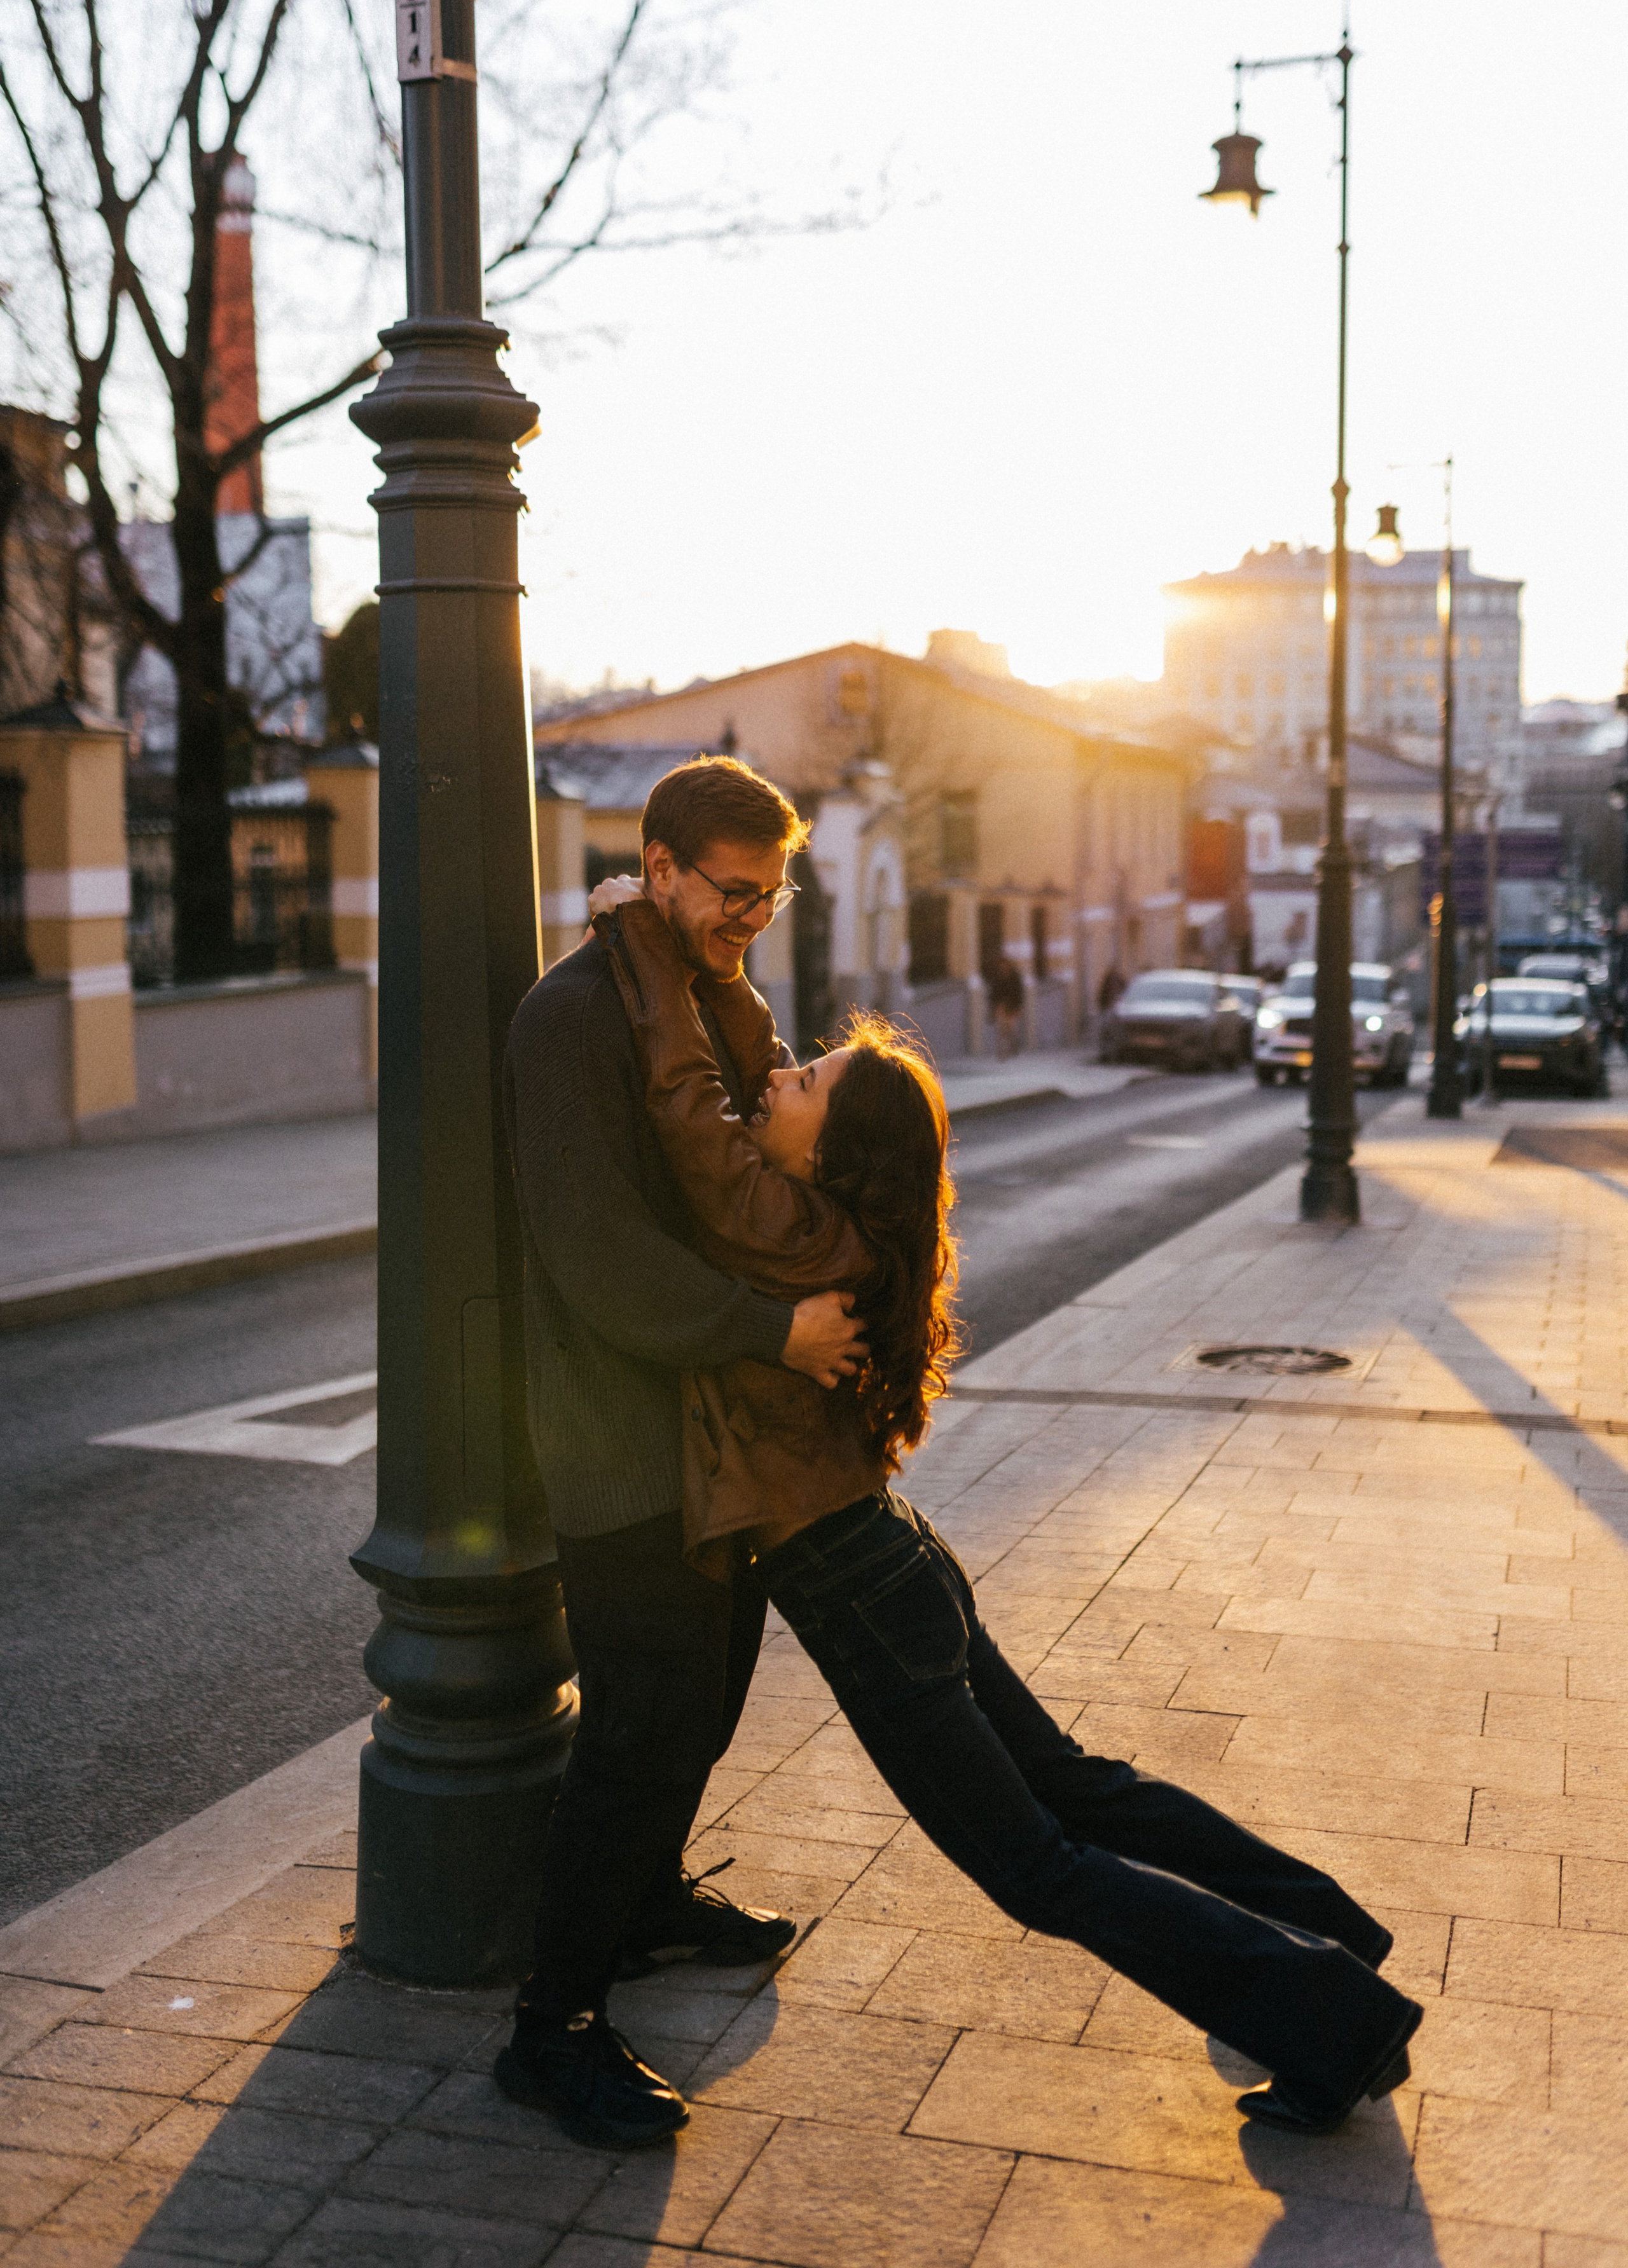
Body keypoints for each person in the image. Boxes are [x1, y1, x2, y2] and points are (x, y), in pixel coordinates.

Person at [552, 886, 1424, 2147]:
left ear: (821, 1152)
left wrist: (647, 937)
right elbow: (737, 1077)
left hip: (861, 1587)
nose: (775, 1080)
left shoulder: (783, 1227)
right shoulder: (834, 1228)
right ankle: (1327, 1927)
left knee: (1036, 1867)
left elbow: (693, 1111)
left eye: (803, 1083)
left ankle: (1334, 2020)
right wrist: (714, 963)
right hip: (897, 1559)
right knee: (1085, 1791)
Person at [496, 758, 869, 2150]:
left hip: (716, 1430)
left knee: (712, 1687)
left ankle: (647, 1899)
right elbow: (595, 1255)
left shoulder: (718, 997)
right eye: (729, 892)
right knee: (641, 1721)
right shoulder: (568, 1018)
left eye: (769, 896)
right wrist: (766, 1331)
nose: (750, 918)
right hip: (619, 1428)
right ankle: (552, 2028)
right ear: (655, 867)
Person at [988, 954, 1024, 1059]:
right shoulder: (997, 977)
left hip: (1012, 1007)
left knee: (1011, 1029)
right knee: (1001, 1030)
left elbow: (1018, 993)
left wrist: (1018, 1007)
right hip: (1001, 1006)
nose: (1003, 966)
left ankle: (1013, 1045)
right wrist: (993, 1007)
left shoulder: (1014, 977)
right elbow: (994, 993)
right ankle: (1002, 1053)